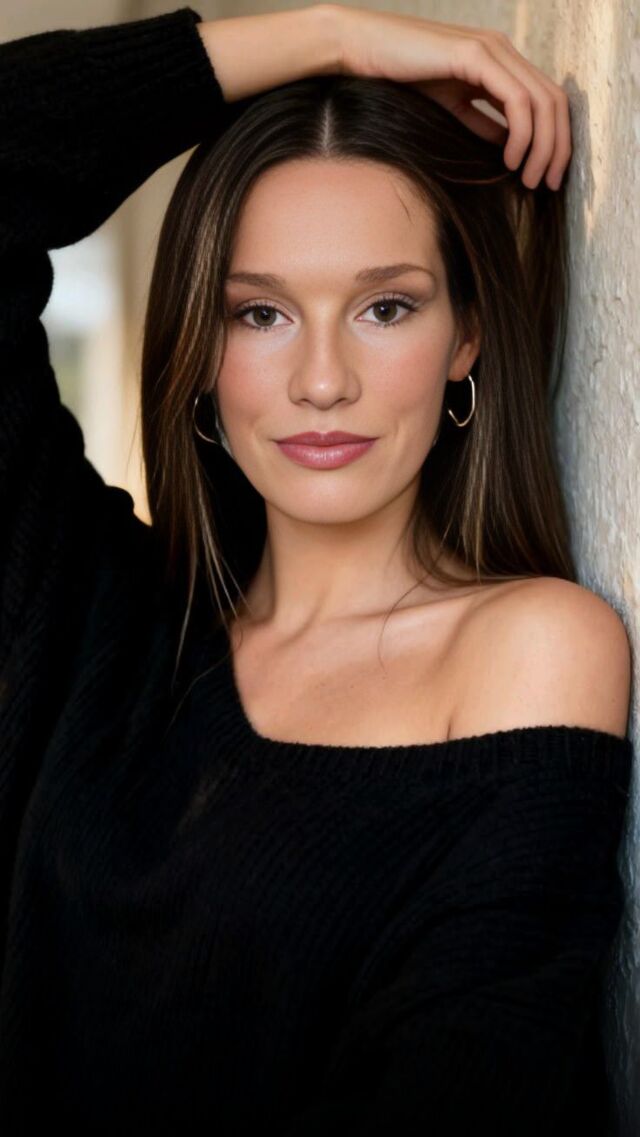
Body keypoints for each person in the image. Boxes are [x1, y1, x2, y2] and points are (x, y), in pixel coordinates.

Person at [0, 4, 632, 1134]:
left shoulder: (528, 649)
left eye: (386, 307)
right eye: (261, 313)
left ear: (467, 336)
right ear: (200, 349)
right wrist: (327, 39)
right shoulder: (102, 615)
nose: (324, 380)